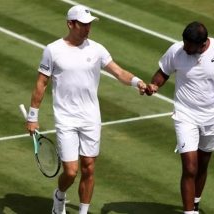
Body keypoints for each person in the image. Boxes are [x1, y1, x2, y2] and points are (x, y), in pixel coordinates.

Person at [25, 5, 146, 214]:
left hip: (90, 117)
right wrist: (32, 116)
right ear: (70, 24)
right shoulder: (53, 50)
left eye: (89, 24)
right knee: (71, 172)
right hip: (66, 119)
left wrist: (137, 82)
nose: (87, 29)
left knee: (89, 167)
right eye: (83, 24)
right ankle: (59, 196)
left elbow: (118, 72)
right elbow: (41, 83)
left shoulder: (97, 49)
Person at [144, 21, 214, 214]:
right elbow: (162, 73)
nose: (185, 48)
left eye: (189, 45)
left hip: (213, 118)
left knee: (203, 164)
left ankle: (195, 203)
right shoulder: (176, 51)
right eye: (184, 42)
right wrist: (154, 85)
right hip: (185, 115)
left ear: (202, 44)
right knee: (190, 166)